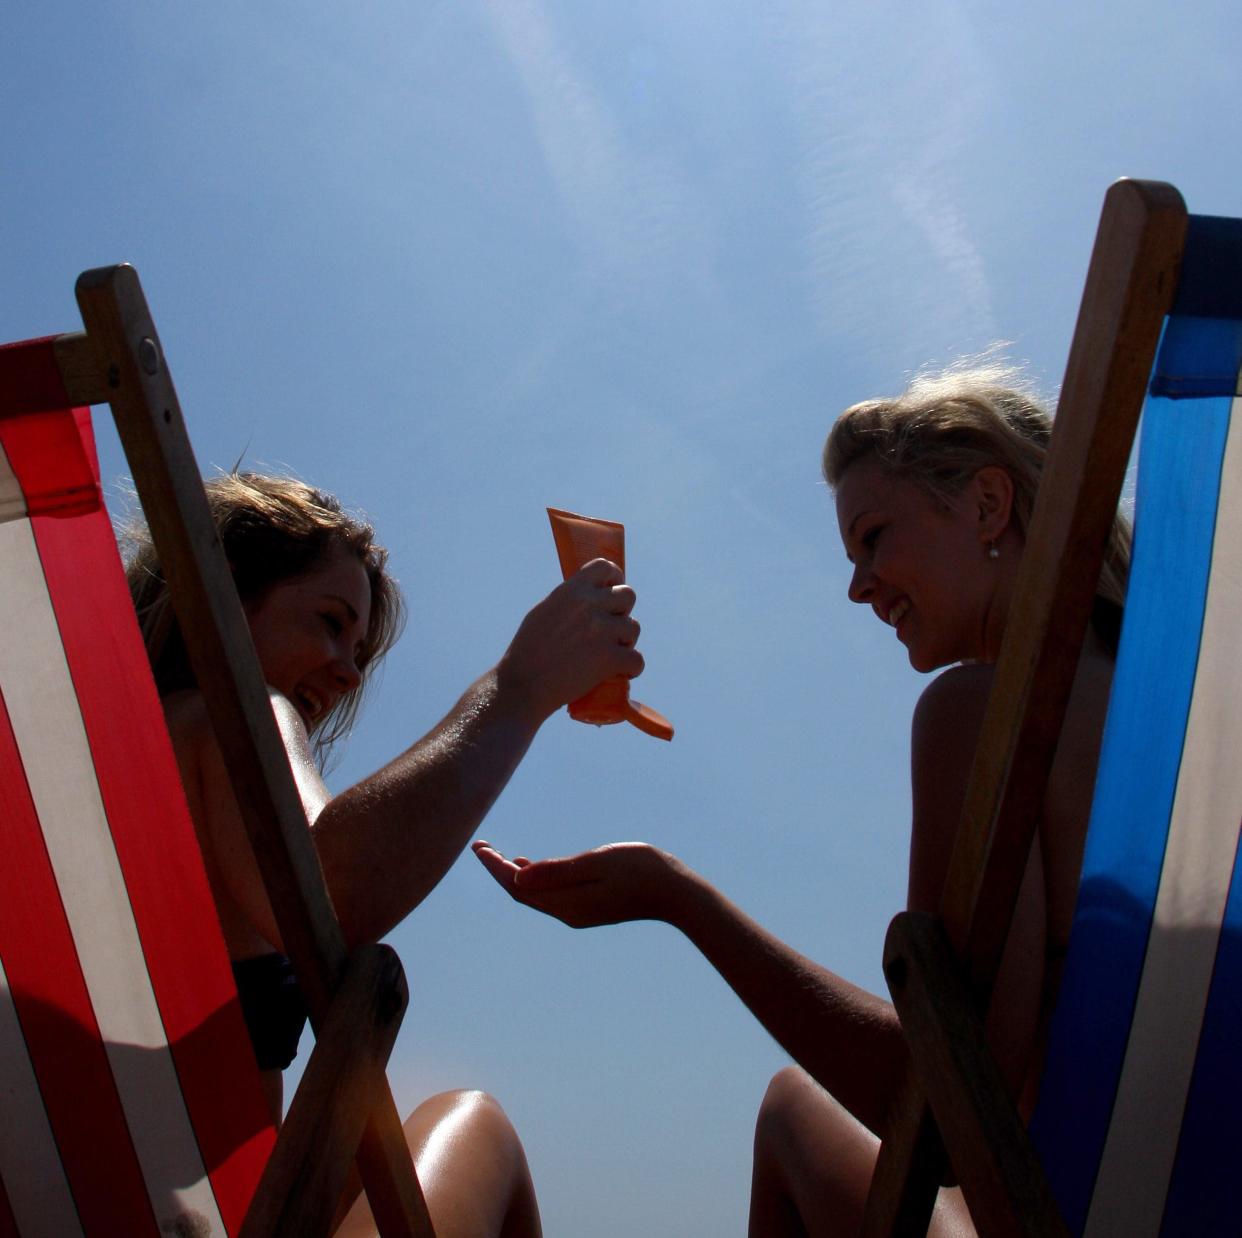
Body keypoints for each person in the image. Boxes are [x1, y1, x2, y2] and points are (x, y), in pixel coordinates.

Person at [473, 362, 1131, 1235]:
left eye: (874, 537)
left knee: (792, 1112)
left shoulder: (981, 717)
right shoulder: (1187, 715)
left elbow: (951, 1108)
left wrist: (680, 899)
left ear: (986, 505)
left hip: (1076, 1211)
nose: (858, 586)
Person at [126, 471, 648, 1238]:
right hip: (189, 1219)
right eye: (331, 623)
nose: (349, 668)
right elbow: (325, 893)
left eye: (361, 647)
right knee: (473, 1126)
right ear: (224, 596)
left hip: (77, 1187)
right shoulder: (226, 722)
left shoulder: (87, 766)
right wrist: (519, 687)